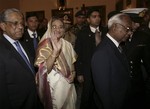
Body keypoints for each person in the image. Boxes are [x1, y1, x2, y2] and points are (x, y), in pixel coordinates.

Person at [0, 8, 43, 109]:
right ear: (3, 26)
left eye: (21, 23)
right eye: (15, 23)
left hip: (33, 99)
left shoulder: (22, 43)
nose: (20, 27)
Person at [91, 13, 133, 109]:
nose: (130, 33)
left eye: (131, 30)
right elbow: (103, 91)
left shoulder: (116, 45)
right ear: (115, 27)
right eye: (127, 29)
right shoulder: (102, 52)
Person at [34, 16, 77, 109]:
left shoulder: (67, 44)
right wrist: (54, 53)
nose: (58, 29)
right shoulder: (45, 45)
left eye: (61, 27)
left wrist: (73, 74)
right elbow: (43, 70)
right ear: (49, 28)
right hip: (54, 87)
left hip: (69, 85)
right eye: (54, 26)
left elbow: (72, 64)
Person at [75, 8, 105, 109]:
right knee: (87, 97)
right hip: (88, 71)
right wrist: (79, 73)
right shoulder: (82, 33)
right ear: (88, 20)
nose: (98, 19)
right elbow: (77, 54)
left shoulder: (106, 32)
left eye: (99, 16)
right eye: (94, 16)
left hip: (103, 69)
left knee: (101, 95)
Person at [121, 8, 150, 109]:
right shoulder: (118, 35)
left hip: (137, 82)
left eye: (139, 22)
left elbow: (148, 61)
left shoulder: (143, 37)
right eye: (134, 22)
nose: (137, 25)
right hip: (120, 81)